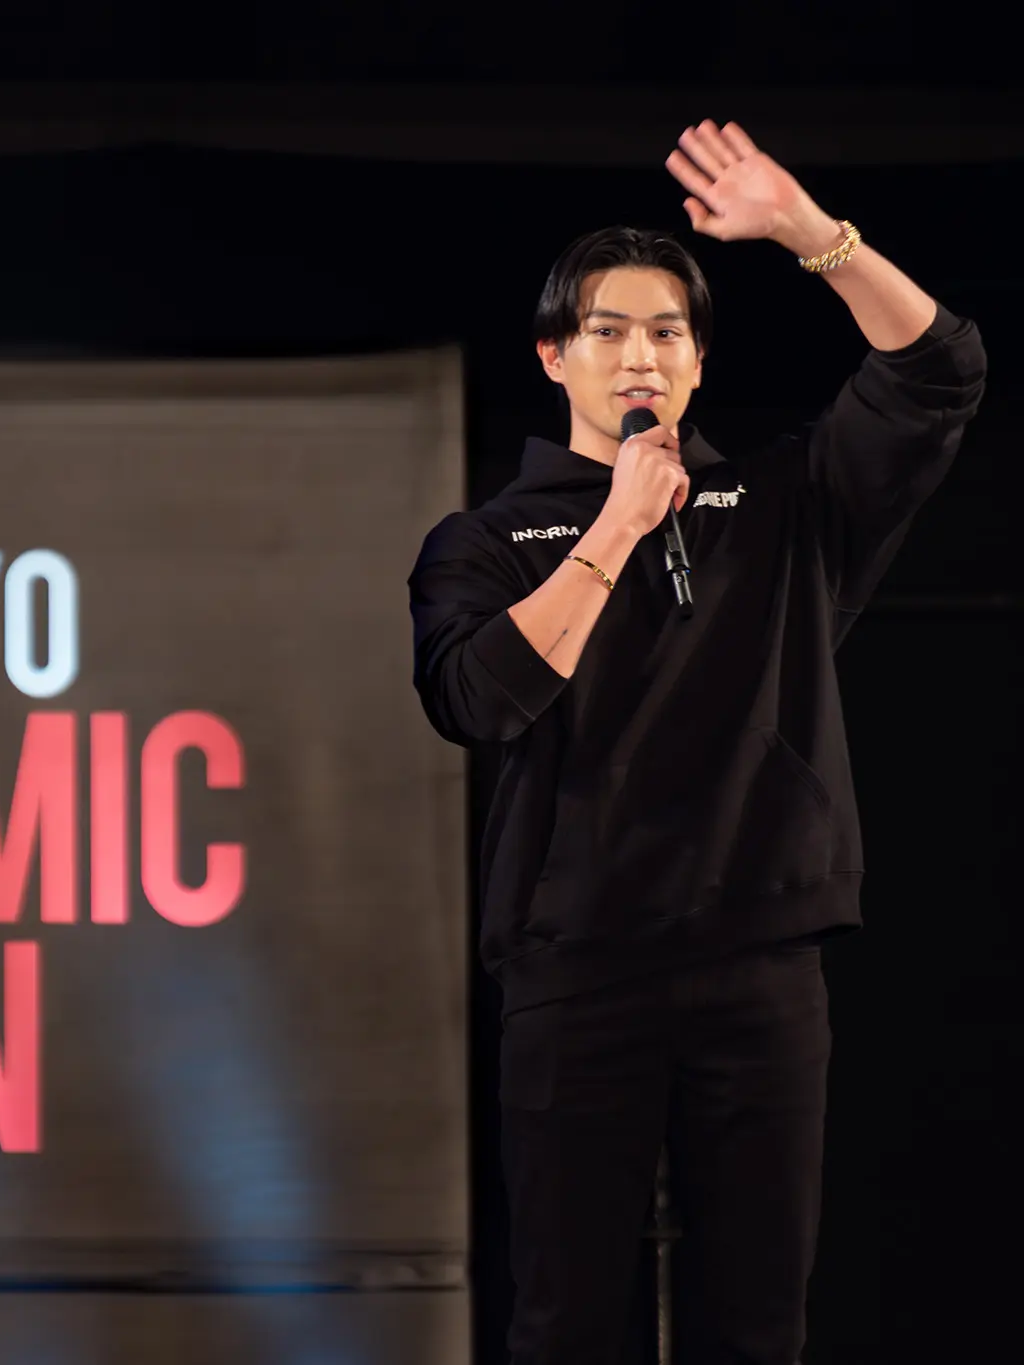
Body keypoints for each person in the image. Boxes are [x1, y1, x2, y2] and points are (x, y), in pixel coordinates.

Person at [406, 120, 987, 1363]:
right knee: (564, 1323)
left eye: (666, 332)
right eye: (607, 331)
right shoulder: (481, 541)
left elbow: (939, 369)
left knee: (757, 1324)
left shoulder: (782, 503)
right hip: (574, 969)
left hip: (757, 962)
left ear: (698, 362)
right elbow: (472, 701)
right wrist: (614, 526)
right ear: (553, 355)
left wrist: (807, 234)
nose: (639, 355)